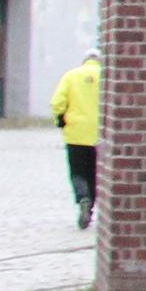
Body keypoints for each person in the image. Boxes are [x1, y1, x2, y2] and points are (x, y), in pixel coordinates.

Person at [48, 49, 102, 230]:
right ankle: (91, 206)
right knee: (94, 173)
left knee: (78, 171)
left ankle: (82, 198)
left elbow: (57, 102)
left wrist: (60, 120)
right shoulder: (106, 76)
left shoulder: (72, 76)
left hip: (76, 133)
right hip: (99, 135)